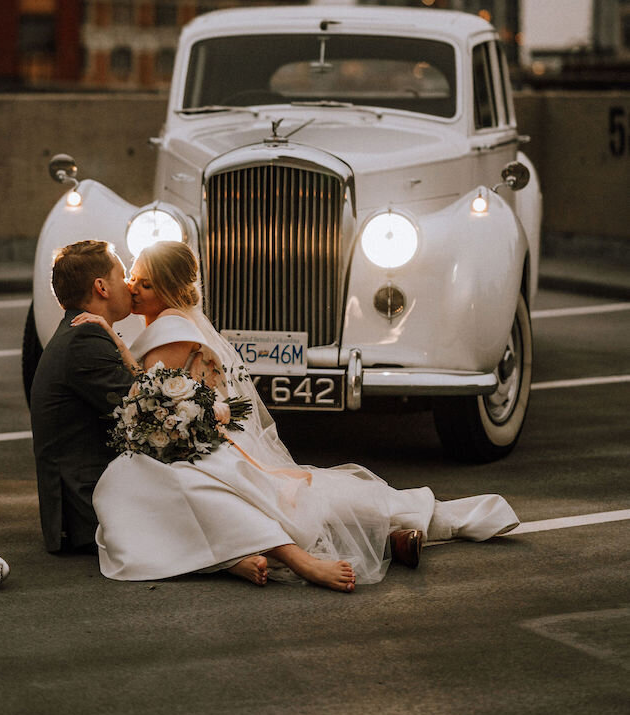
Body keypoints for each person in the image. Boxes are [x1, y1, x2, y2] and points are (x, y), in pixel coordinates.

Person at [76, 241, 519, 591]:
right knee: (294, 500)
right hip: (206, 434)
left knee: (263, 500)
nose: (133, 289)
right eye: (133, 280)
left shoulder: (170, 327)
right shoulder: (178, 321)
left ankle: (272, 554)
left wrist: (108, 335)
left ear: (170, 291)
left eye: (145, 284)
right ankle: (389, 534)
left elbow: (148, 389)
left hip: (203, 439)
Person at [30, 240, 136, 554]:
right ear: (101, 287)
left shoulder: (78, 332)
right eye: (123, 274)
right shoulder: (84, 338)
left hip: (88, 487)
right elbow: (141, 408)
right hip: (86, 505)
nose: (129, 283)